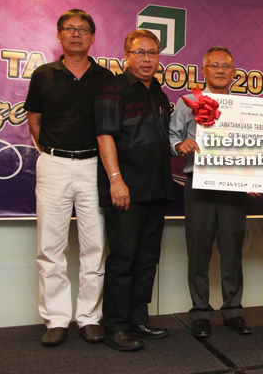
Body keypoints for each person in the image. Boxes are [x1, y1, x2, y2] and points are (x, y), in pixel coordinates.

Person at [24, 9, 113, 346]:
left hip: (93, 166)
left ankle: (89, 317)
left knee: (94, 246)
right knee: (50, 246)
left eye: (83, 29)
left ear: (92, 36)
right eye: (69, 29)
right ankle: (56, 319)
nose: (76, 34)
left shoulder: (105, 77)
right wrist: (52, 151)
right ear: (59, 34)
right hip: (54, 164)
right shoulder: (44, 74)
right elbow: (35, 120)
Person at [95, 30, 175, 351]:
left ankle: (138, 320)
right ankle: (115, 327)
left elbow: (162, 140)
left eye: (152, 53)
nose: (146, 59)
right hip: (126, 188)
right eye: (140, 53)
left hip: (157, 188)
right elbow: (105, 136)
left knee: (146, 259)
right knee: (123, 260)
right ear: (126, 55)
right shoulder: (113, 89)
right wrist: (115, 179)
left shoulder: (159, 94)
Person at [169, 46, 251, 338]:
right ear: (203, 71)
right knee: (198, 250)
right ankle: (201, 313)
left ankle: (233, 311)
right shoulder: (188, 102)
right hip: (198, 184)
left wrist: (254, 177)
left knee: (232, 251)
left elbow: (254, 148)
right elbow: (171, 136)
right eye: (213, 65)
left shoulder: (245, 107)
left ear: (233, 72)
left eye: (225, 66)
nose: (219, 70)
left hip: (233, 187)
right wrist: (180, 146)